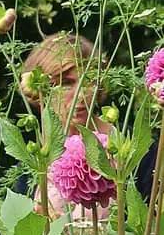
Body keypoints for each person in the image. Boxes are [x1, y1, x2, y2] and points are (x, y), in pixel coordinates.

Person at [14, 33, 154, 219]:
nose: (80, 94)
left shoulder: (136, 149)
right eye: (66, 83)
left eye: (88, 81)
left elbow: (152, 234)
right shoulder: (32, 163)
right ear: (41, 89)